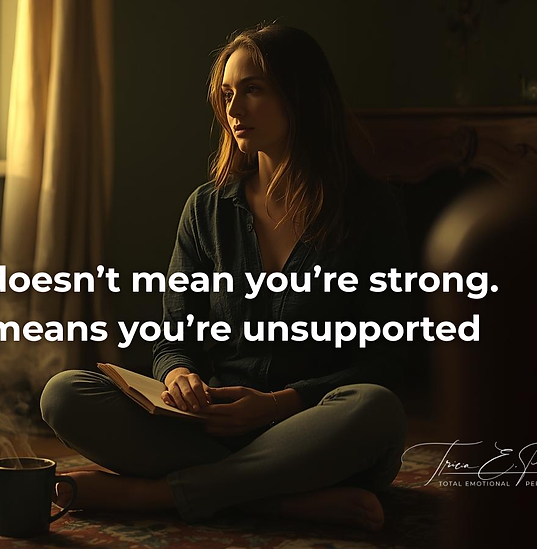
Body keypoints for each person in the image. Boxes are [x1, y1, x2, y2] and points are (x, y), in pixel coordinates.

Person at [40, 23, 412, 531]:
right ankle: (281, 500)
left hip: (314, 430)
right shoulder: (207, 209)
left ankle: (158, 497)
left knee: (376, 408)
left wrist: (278, 404)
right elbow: (174, 337)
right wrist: (179, 377)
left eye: (253, 90)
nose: (233, 111)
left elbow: (389, 356)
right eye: (227, 95)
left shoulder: (368, 210)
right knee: (64, 393)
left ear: (300, 95)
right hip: (211, 430)